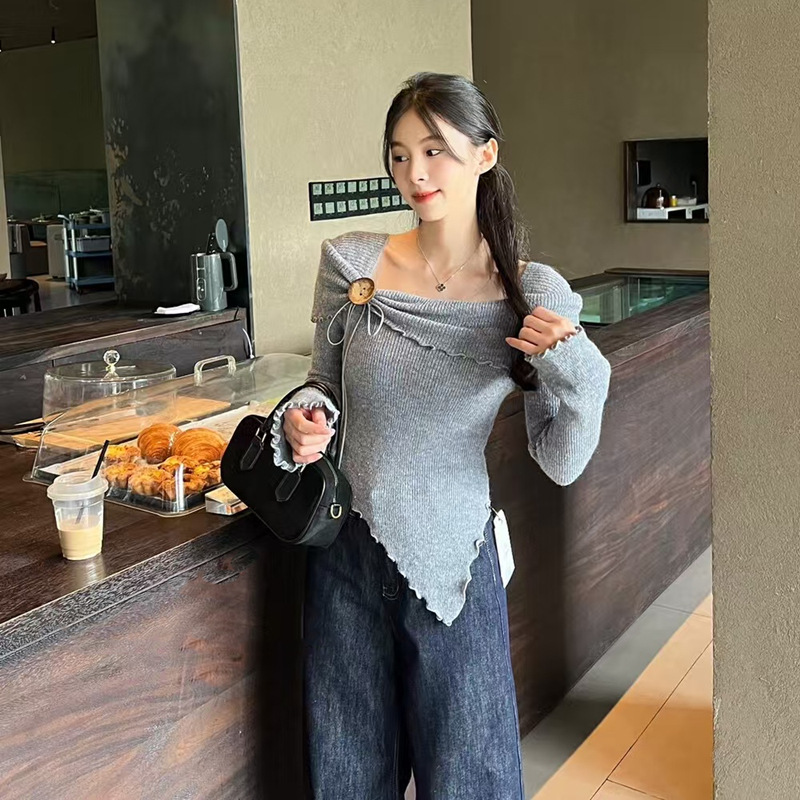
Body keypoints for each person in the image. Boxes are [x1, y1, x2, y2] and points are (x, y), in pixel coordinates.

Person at [270, 72, 611, 800]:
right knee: (347, 776)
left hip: (454, 557)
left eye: (435, 151)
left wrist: (576, 364)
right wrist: (304, 418)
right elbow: (322, 383)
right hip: (342, 551)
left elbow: (562, 459)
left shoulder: (530, 291)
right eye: (399, 156)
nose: (414, 174)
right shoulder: (351, 264)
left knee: (470, 780)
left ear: (485, 154)